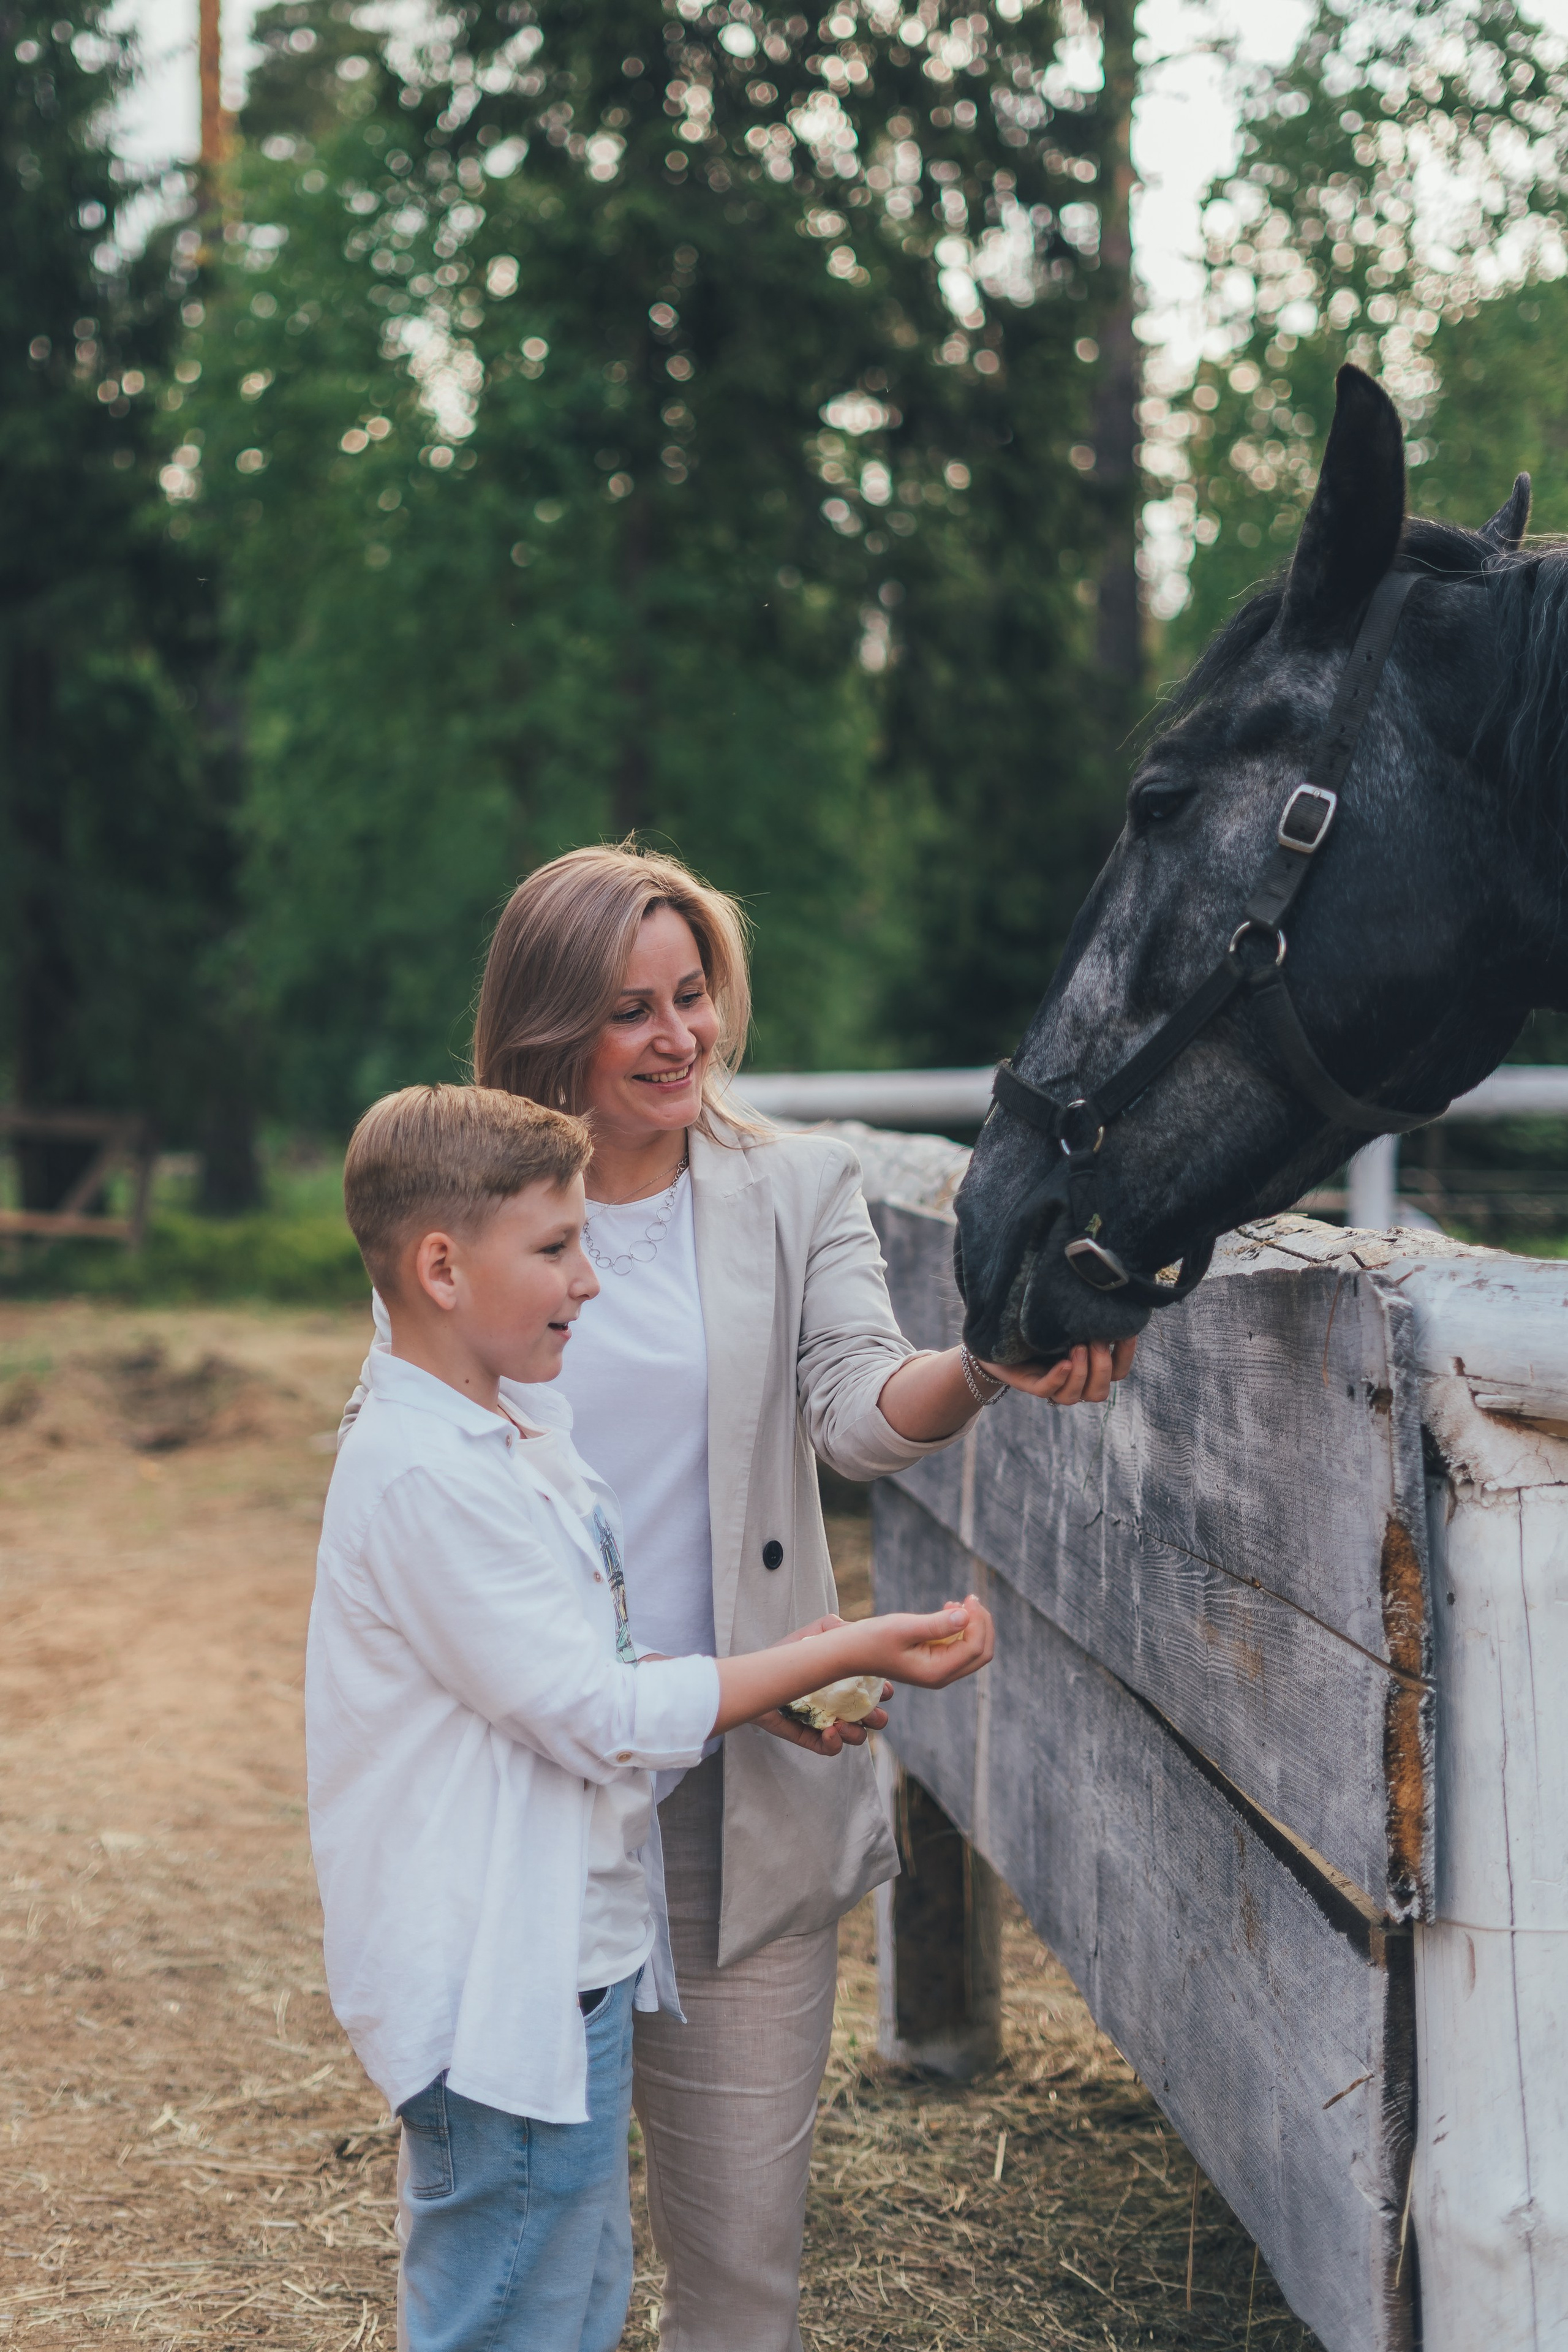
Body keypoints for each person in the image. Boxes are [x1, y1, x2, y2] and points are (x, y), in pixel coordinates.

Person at [459, 844, 1135, 2351]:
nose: (674, 1037)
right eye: (627, 1009)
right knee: (518, 2267)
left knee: (744, 2272)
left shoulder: (792, 1187)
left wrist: (978, 1366)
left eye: (689, 996)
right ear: (547, 1027)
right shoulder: (471, 1206)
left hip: (734, 1778)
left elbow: (849, 1410)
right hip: (518, 1790)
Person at [309, 1082, 996, 2352]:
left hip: (565, 1960)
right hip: (496, 1983)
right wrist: (838, 1646)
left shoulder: (513, 1433)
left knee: (573, 2298)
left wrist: (771, 1671)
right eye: (558, 1252)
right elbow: (591, 1711)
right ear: (442, 1268)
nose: (591, 1282)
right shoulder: (426, 1475)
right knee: (513, 2309)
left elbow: (580, 1664)